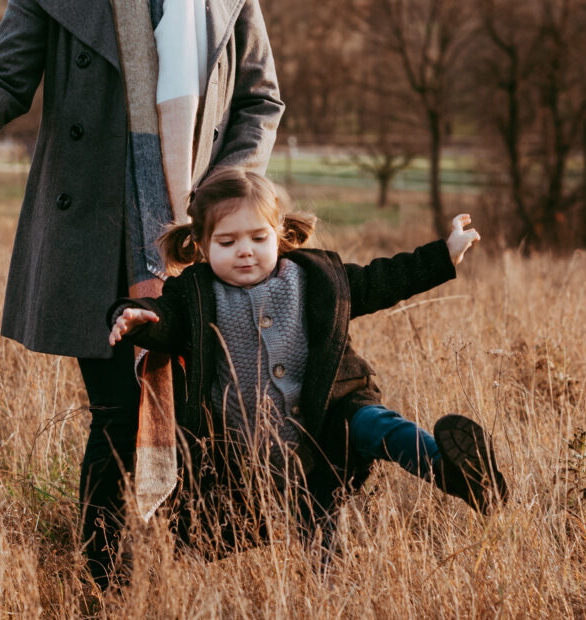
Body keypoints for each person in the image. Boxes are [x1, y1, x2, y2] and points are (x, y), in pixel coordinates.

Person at [0, 0, 284, 589]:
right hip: (96, 235)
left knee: (207, 412)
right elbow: (4, 77)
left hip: (202, 235)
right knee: (119, 416)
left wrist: (226, 196)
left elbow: (259, 100)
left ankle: (188, 570)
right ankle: (104, 586)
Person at [108, 168, 509, 545]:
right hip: (249, 448)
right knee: (309, 533)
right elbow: (163, 319)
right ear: (201, 244)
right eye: (228, 243)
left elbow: (381, 279)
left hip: (330, 419)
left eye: (258, 238)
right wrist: (134, 318)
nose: (245, 252)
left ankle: (454, 471)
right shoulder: (195, 295)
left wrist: (443, 255)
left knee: (378, 425)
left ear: (278, 234)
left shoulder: (316, 279)